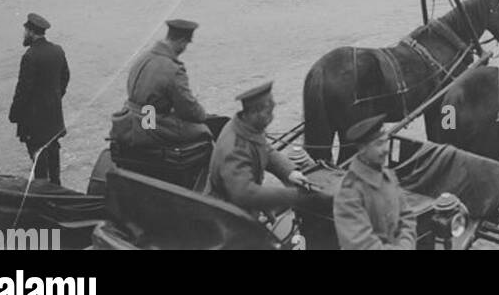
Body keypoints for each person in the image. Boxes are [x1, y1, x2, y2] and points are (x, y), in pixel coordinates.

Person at [206, 81, 312, 219]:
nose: (272, 117)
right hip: (226, 217)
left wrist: (289, 172)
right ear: (255, 112)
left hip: (240, 209)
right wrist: (296, 196)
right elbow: (245, 194)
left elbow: (265, 149)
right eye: (269, 112)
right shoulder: (234, 148)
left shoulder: (247, 126)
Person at [109, 18, 211, 148]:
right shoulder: (173, 69)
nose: (185, 48)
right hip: (149, 125)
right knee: (204, 131)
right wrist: (203, 115)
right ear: (181, 42)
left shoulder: (143, 57)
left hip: (128, 120)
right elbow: (189, 110)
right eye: (186, 44)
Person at [333, 115, 416, 251]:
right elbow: (361, 244)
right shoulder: (348, 192)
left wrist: (406, 245)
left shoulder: (389, 176)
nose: (386, 149)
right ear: (362, 149)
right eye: (379, 144)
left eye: (386, 141)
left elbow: (407, 216)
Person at [8, 13, 70, 184]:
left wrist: (14, 114)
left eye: (25, 31)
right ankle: (59, 194)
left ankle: (43, 200)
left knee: (39, 167)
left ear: (30, 31)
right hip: (53, 117)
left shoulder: (30, 56)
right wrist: (55, 97)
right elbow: (65, 77)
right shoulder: (57, 50)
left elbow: (23, 90)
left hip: (34, 123)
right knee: (54, 161)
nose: (24, 35)